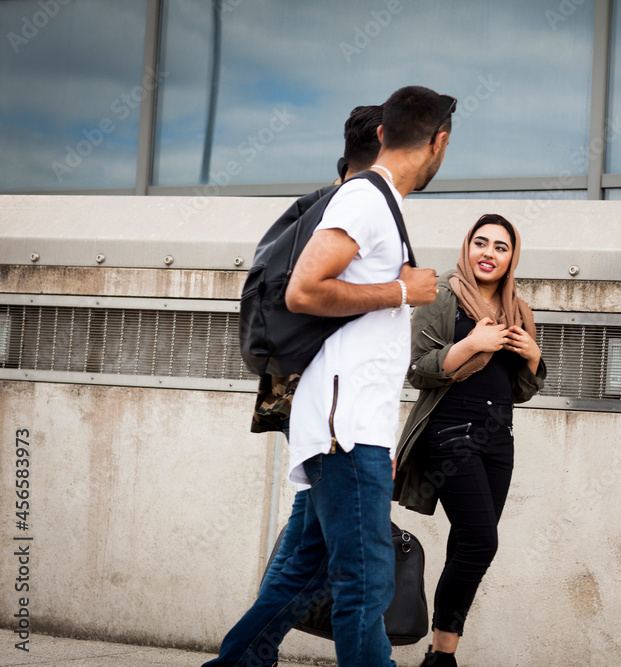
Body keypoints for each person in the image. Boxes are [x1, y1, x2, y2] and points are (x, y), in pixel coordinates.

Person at [203, 85, 454, 667]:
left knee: (301, 575)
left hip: (350, 427)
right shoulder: (365, 199)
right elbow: (305, 289)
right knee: (364, 585)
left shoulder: (379, 200)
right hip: (346, 431)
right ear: (440, 143)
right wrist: (401, 291)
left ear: (385, 134)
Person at [255, 103, 383, 667]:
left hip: (301, 386)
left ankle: (249, 655)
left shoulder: (322, 201)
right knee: (339, 560)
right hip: (325, 400)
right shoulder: (350, 210)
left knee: (308, 542)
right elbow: (314, 298)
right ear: (386, 140)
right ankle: (249, 656)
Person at [394, 214, 546, 667]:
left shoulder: (518, 309)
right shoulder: (443, 293)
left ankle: (440, 656)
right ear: (467, 247)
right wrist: (472, 343)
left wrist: (534, 358)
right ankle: (442, 657)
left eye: (500, 247)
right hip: (449, 429)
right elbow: (417, 368)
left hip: (499, 437)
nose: (489, 253)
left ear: (511, 258)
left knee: (467, 542)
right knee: (482, 542)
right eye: (481, 243)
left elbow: (519, 389)